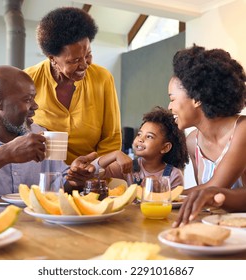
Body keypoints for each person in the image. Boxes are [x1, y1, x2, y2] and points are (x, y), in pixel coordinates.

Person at [24, 7, 122, 165]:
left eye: (88, 55)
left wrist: (93, 172)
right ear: (53, 59)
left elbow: (111, 138)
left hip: (90, 177)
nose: (84, 65)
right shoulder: (28, 80)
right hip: (43, 176)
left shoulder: (102, 78)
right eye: (74, 60)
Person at [0, 65, 96, 199]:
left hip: (35, 219)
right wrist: (7, 153)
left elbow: (59, 186)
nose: (35, 106)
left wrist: (74, 180)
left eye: (34, 98)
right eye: (27, 99)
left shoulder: (40, 134)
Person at [167, 45, 246, 226]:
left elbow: (216, 187)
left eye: (172, 99)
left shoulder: (242, 130)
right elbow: (204, 200)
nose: (170, 107)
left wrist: (160, 196)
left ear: (197, 98)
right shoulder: (192, 141)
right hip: (219, 225)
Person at [91, 106, 189, 188]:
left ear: (165, 147)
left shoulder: (174, 175)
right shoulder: (127, 167)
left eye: (149, 136)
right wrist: (114, 154)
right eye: (139, 134)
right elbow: (92, 172)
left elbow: (175, 202)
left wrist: (160, 189)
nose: (140, 139)